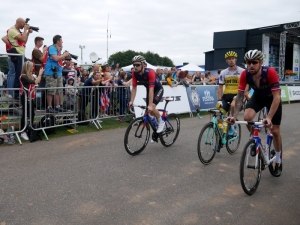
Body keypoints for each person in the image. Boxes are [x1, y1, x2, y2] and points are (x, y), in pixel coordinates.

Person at [227, 49, 283, 177]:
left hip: (272, 99)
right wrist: (234, 116)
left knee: (275, 131)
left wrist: (269, 117)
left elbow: (277, 97)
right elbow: (240, 97)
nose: (251, 65)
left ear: (260, 63)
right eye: (248, 62)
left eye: (254, 62)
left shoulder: (270, 72)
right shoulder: (245, 74)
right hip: (258, 97)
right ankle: (256, 140)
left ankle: (278, 160)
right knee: (247, 117)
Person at [129, 55, 165, 133]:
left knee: (151, 107)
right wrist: (131, 101)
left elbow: (152, 89)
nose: (135, 67)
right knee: (149, 111)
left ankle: (161, 121)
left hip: (158, 89)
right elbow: (134, 88)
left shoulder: (150, 72)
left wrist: (150, 105)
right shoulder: (134, 73)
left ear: (143, 65)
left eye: (137, 65)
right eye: (134, 65)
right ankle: (156, 126)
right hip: (149, 90)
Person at [5, 18, 33, 98]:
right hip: (17, 55)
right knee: (17, 74)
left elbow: (24, 41)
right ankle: (15, 93)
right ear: (19, 23)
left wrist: (27, 33)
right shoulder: (12, 30)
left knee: (20, 74)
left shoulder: (17, 31)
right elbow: (23, 39)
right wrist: (25, 30)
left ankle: (17, 93)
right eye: (23, 23)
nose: (24, 25)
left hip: (21, 54)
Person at [44, 35, 70, 113]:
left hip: (58, 72)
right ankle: (49, 107)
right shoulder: (52, 48)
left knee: (59, 90)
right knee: (51, 90)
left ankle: (58, 106)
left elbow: (59, 59)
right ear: (58, 41)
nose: (62, 42)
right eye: (61, 41)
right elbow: (55, 58)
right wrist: (64, 55)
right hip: (51, 72)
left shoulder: (58, 50)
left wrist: (65, 57)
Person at [19, 61, 44, 140]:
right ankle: (23, 131)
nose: (33, 68)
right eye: (31, 66)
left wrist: (38, 75)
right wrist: (40, 74)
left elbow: (37, 82)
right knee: (25, 114)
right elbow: (36, 81)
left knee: (32, 113)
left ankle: (30, 128)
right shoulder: (23, 76)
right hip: (25, 96)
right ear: (28, 67)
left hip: (31, 97)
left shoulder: (31, 75)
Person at [216, 51, 244, 117]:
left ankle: (232, 119)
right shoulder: (223, 72)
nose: (231, 60)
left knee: (233, 106)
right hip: (226, 96)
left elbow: (246, 85)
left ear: (235, 60)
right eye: (229, 59)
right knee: (218, 113)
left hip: (237, 95)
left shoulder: (242, 71)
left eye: (233, 58)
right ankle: (221, 126)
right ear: (226, 61)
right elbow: (220, 87)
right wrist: (219, 100)